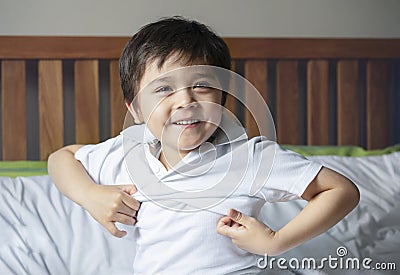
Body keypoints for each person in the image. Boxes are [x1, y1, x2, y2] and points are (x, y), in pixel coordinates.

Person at [48, 16, 360, 274]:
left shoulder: (250, 158)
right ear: (136, 109)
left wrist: (275, 242)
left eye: (201, 85)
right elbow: (62, 158)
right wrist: (89, 195)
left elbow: (342, 191)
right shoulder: (128, 152)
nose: (185, 100)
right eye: (164, 89)